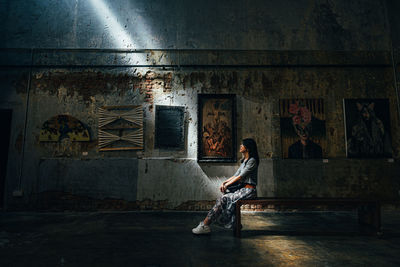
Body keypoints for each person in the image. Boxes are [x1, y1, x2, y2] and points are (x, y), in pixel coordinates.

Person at [192, 138, 259, 235]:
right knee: (223, 198)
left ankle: (205, 224)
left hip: (249, 191)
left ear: (247, 148)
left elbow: (241, 177)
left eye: (242, 145)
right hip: (243, 190)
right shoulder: (244, 161)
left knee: (224, 199)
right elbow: (235, 175)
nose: (240, 146)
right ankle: (230, 224)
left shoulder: (252, 161)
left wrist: (227, 184)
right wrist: (224, 183)